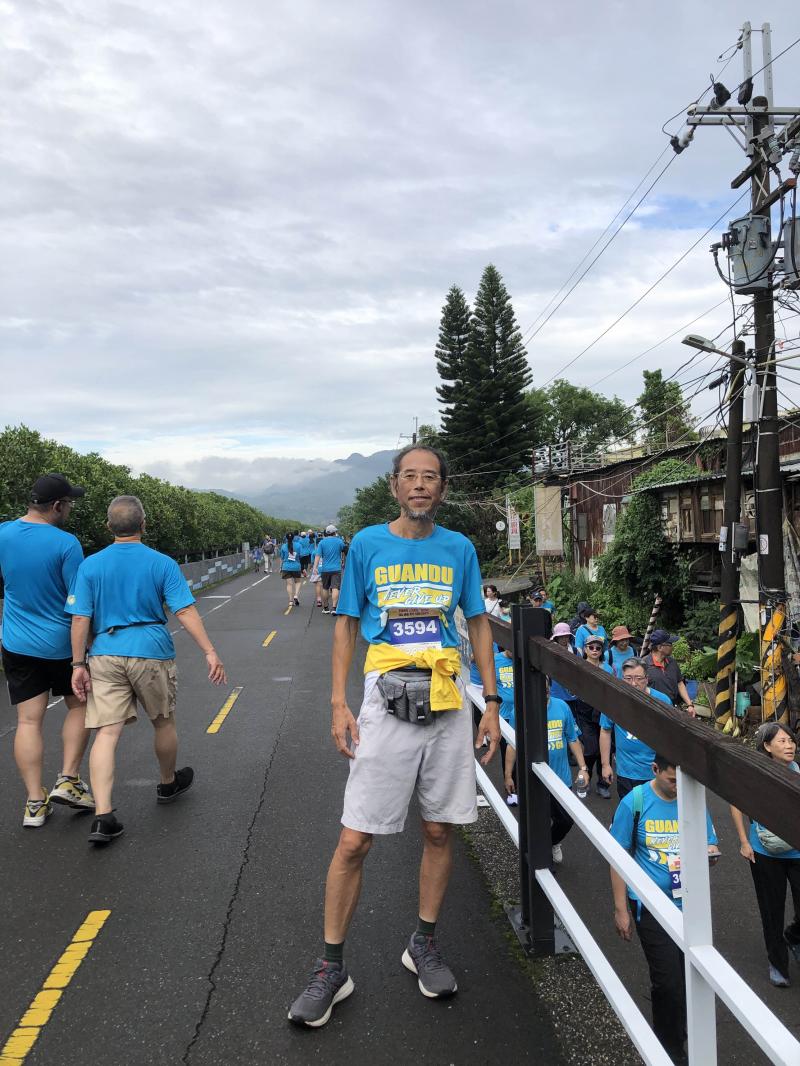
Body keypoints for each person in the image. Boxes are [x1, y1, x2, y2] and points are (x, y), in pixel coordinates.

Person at [288, 444, 502, 1028]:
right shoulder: (366, 545)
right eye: (410, 476)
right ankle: (331, 966)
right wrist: (338, 703)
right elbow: (346, 625)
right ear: (394, 486)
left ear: (444, 489)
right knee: (355, 838)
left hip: (448, 695)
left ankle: (423, 943)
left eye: (430, 477)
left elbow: (478, 622)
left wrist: (492, 702)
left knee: (438, 828)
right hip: (384, 698)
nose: (420, 485)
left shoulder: (459, 549)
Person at [67, 496, 226, 844]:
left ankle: (103, 816)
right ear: (143, 524)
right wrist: (209, 651)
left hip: (105, 652)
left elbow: (80, 618)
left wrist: (78, 664)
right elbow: (184, 611)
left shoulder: (90, 566)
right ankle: (168, 783)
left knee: (106, 733)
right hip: (151, 650)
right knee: (163, 721)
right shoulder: (162, 563)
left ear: (108, 527)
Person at [610, 755, 719, 1065]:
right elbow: (617, 855)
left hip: (690, 905)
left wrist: (710, 853)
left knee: (689, 980)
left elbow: (709, 842)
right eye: (672, 780)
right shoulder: (635, 802)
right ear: (655, 770)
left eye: (682, 781)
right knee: (668, 981)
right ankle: (669, 1051)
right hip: (650, 906)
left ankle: (678, 1037)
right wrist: (621, 908)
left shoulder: (692, 800)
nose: (678, 787)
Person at [0, 474, 95, 827]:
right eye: (69, 504)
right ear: (56, 506)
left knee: (28, 721)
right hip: (61, 644)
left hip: (16, 643)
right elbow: (78, 602)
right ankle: (68, 779)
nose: (69, 509)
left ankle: (35, 803)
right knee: (80, 705)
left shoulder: (2, 533)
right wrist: (85, 651)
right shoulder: (66, 544)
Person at [730, 722, 800, 987]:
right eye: (782, 741)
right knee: (772, 911)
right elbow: (736, 802)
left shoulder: (798, 771)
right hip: (765, 852)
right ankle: (778, 965)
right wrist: (743, 841)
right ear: (767, 746)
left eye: (791, 740)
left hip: (797, 851)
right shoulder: (756, 772)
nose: (789, 746)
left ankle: (793, 937)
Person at [599, 657, 673, 799]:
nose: (633, 683)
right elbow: (605, 731)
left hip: (654, 772)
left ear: (647, 679)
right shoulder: (614, 700)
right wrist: (605, 765)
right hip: (626, 772)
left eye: (639, 678)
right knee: (631, 809)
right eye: (628, 678)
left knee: (652, 810)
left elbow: (671, 736)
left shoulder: (662, 701)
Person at [544, 686, 588, 865]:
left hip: (561, 777)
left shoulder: (562, 706)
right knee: (540, 820)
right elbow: (512, 744)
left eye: (547, 689)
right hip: (536, 778)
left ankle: (552, 842)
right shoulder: (522, 709)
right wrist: (509, 775)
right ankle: (542, 859)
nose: (544, 693)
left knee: (567, 819)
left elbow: (572, 738)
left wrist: (583, 768)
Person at [572, 635, 614, 798]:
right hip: (585, 710)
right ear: (585, 649)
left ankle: (603, 783)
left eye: (598, 648)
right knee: (591, 748)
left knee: (606, 748)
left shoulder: (608, 669)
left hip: (604, 709)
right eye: (591, 647)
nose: (595, 650)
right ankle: (586, 777)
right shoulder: (579, 666)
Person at [643, 630, 696, 716]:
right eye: (670, 644)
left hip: (672, 708)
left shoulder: (672, 662)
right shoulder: (644, 665)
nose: (672, 646)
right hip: (653, 710)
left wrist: (690, 705)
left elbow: (679, 683)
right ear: (660, 647)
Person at [313, 524, 346, 614]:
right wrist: (343, 561)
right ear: (334, 532)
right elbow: (345, 551)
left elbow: (317, 556)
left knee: (325, 588)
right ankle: (334, 608)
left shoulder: (322, 542)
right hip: (336, 569)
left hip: (325, 569)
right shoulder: (339, 541)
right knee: (335, 588)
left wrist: (315, 567)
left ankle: (326, 608)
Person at [280, 531, 303, 607]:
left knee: (289, 584)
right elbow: (301, 556)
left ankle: (290, 601)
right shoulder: (299, 545)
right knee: (298, 582)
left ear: (286, 538)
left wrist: (280, 567)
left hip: (286, 567)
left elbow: (282, 558)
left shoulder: (283, 546)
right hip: (296, 567)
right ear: (294, 537)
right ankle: (296, 595)